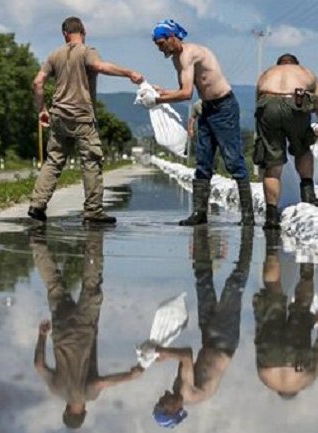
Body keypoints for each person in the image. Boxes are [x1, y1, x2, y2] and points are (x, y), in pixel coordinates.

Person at [28, 16, 144, 225]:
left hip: (58, 116)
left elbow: (38, 82)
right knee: (91, 162)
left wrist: (42, 109)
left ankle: (37, 205)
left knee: (54, 161)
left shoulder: (55, 54)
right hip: (82, 116)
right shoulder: (87, 51)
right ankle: (93, 211)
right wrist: (128, 72)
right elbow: (100, 67)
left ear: (65, 34)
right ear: (84, 31)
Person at [31, 226, 144, 429]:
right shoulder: (56, 390)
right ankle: (36, 243)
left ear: (83, 411)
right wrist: (42, 335)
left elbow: (101, 383)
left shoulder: (87, 395)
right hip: (60, 329)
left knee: (92, 284)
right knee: (54, 284)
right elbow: (39, 365)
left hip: (84, 327)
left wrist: (131, 375)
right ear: (65, 409)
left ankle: (94, 235)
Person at [147, 19, 254, 226]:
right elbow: (183, 89)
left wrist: (158, 100)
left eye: (161, 44)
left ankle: (248, 216)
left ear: (171, 38)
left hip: (224, 107)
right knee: (203, 161)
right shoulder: (177, 59)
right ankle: (199, 213)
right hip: (207, 107)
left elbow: (186, 94)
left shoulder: (190, 54)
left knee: (233, 160)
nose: (160, 50)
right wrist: (160, 92)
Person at [152, 226, 253, 428]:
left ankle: (201, 232)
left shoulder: (177, 390)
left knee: (203, 281)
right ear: (173, 409)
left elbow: (185, 360)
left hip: (209, 338)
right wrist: (163, 352)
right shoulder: (188, 393)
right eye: (162, 404)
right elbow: (187, 355)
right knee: (234, 285)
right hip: (223, 340)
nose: (161, 398)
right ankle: (247, 238)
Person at [254, 52, 318, 229]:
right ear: (296, 64)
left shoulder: (266, 74)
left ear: (278, 64)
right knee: (303, 148)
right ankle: (308, 196)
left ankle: (271, 216)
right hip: (295, 102)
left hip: (268, 102)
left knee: (272, 162)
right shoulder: (305, 72)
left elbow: (257, 107)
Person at [252, 232, 318, 399]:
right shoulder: (267, 381)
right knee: (273, 289)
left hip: (298, 363)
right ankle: (271, 249)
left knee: (302, 306)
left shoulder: (304, 382)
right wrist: (262, 312)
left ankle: (307, 265)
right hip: (269, 360)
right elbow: (259, 339)